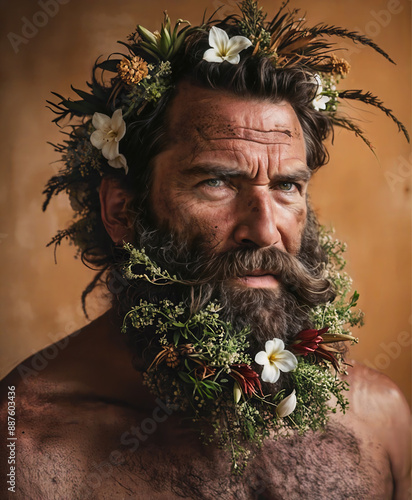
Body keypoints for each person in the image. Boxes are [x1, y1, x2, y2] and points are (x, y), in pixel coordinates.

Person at [1, 1, 410, 498]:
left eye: (286, 186)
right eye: (216, 181)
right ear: (121, 211)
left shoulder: (379, 419)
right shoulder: (24, 450)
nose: (264, 231)